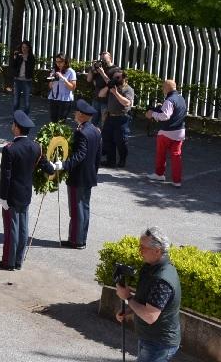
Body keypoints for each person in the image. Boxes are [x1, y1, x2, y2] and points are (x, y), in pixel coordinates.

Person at [114, 227, 183, 362]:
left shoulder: (162, 280)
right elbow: (145, 301)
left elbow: (150, 316)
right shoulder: (150, 266)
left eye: (143, 248)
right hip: (149, 339)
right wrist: (128, 310)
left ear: (157, 251)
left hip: (159, 344)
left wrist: (127, 297)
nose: (140, 252)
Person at [48, 99, 101, 248]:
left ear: (82, 115)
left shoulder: (81, 133)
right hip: (88, 176)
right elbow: (97, 156)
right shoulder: (95, 131)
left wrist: (62, 165)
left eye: (77, 112)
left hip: (78, 177)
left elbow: (79, 155)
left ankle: (76, 241)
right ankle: (80, 239)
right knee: (84, 208)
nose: (75, 113)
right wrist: (94, 172)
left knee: (77, 210)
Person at [0, 110, 45, 271]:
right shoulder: (36, 146)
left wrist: (2, 197)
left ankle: (8, 262)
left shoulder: (9, 149)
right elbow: (48, 167)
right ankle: (18, 261)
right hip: (25, 193)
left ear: (17, 128)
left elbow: (6, 176)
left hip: (11, 195)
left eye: (13, 124)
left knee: (12, 229)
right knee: (23, 228)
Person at [145, 80, 187, 188]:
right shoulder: (181, 98)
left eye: (163, 87)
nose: (162, 89)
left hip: (167, 132)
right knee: (176, 156)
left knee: (161, 154)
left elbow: (165, 116)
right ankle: (177, 181)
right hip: (180, 132)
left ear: (167, 88)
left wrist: (152, 113)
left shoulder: (169, 100)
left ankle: (159, 174)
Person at [102, 70, 135, 168]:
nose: (115, 79)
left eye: (117, 78)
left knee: (121, 141)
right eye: (114, 77)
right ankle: (110, 161)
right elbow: (100, 94)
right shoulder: (112, 86)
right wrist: (108, 86)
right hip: (110, 117)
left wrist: (116, 93)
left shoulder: (128, 89)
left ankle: (122, 160)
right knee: (108, 139)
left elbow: (127, 103)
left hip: (122, 118)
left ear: (124, 78)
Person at [87, 51, 121, 128]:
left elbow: (113, 84)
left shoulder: (116, 70)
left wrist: (102, 73)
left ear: (110, 58)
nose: (102, 61)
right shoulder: (99, 68)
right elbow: (89, 79)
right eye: (101, 59)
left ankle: (104, 139)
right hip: (96, 99)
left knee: (104, 124)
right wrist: (92, 68)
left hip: (107, 101)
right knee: (92, 122)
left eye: (104, 59)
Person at [47, 53, 77, 123]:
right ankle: (54, 134)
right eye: (57, 62)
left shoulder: (71, 71)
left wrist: (63, 78)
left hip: (65, 99)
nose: (58, 64)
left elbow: (72, 88)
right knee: (53, 120)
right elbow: (50, 86)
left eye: (60, 62)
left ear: (65, 61)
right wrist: (51, 79)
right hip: (53, 97)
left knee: (61, 121)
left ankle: (60, 134)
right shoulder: (55, 70)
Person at [11, 40, 35, 115]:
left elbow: (31, 69)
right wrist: (15, 58)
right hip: (18, 80)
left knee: (26, 102)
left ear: (29, 48)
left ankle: (25, 119)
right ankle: (16, 119)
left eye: (26, 47)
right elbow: (13, 66)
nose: (24, 49)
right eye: (23, 47)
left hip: (27, 81)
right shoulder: (19, 56)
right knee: (16, 101)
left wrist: (26, 59)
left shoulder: (31, 57)